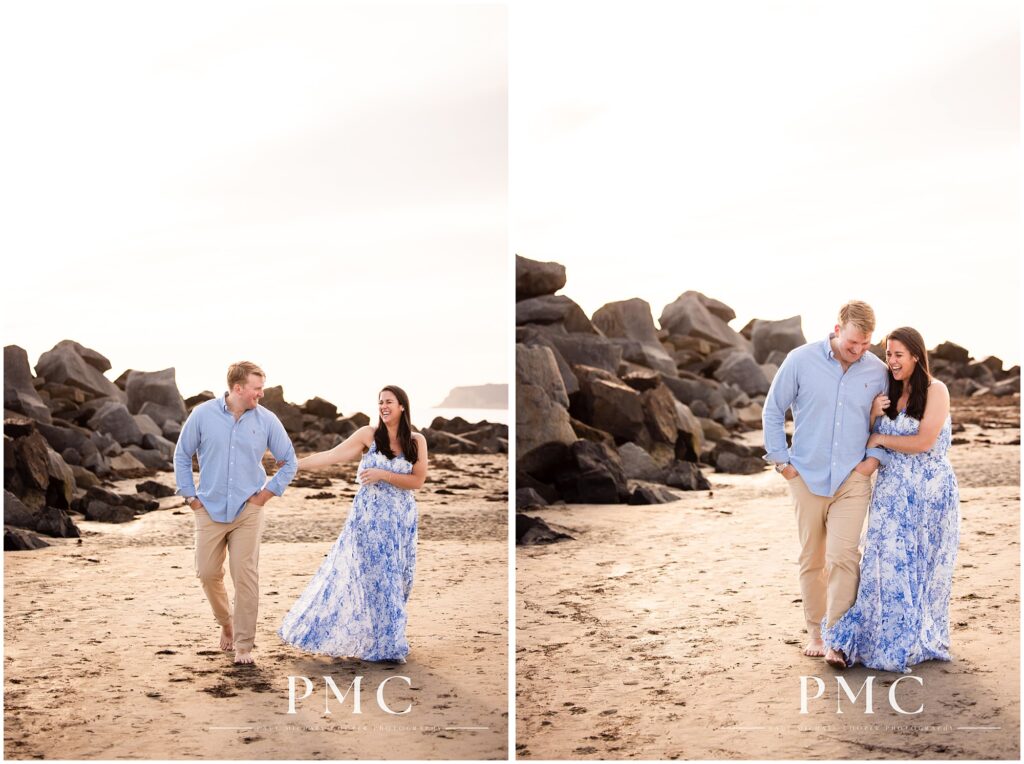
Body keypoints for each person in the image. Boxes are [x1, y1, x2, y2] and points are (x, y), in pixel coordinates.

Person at [821, 328, 959, 671]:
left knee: (921, 567)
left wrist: (882, 436)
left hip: (930, 493)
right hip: (891, 492)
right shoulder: (887, 393)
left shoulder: (936, 391)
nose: (892, 361)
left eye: (898, 355)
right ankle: (866, 638)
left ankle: (912, 637)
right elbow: (865, 436)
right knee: (883, 565)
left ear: (915, 355)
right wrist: (872, 415)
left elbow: (925, 441)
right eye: (888, 355)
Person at [762, 300, 890, 663]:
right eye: (853, 343)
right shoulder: (800, 360)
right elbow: (773, 409)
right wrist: (782, 463)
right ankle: (816, 633)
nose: (859, 351)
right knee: (813, 558)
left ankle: (839, 638)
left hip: (853, 478)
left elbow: (884, 422)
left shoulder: (877, 371)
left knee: (844, 556)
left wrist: (872, 462)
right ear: (837, 330)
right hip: (806, 475)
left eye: (866, 345)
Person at [278, 385, 427, 662]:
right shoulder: (368, 435)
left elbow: (417, 481)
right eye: (380, 401)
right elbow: (333, 455)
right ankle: (390, 645)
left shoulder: (416, 441)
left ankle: (385, 638)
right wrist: (295, 465)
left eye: (389, 402)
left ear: (402, 406)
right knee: (377, 580)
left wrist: (383, 474)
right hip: (368, 521)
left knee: (399, 580)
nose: (383, 406)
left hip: (400, 522)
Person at [173, 361, 298, 664]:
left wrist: (264, 497)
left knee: (245, 576)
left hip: (248, 509)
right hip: (209, 508)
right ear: (238, 388)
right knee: (206, 572)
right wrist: (190, 497)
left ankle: (244, 645)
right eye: (257, 388)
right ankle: (226, 623)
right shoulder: (202, 415)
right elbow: (181, 454)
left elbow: (289, 461)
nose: (262, 393)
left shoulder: (267, 420)